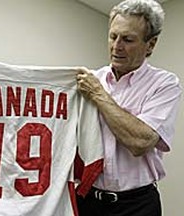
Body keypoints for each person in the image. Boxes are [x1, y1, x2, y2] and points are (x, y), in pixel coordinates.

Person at [76, 0, 182, 215]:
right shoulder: (90, 79)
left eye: (128, 39)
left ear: (150, 44)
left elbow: (140, 142)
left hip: (137, 205)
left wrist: (98, 95)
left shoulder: (164, 84)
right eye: (113, 36)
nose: (116, 46)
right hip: (88, 200)